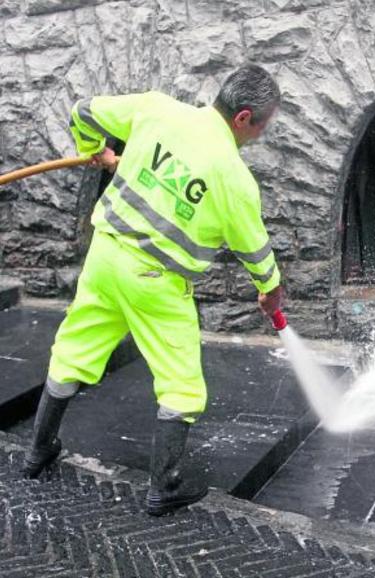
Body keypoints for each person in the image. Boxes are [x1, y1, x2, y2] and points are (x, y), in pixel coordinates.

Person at [23, 64, 284, 515]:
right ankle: (164, 485)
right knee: (182, 384)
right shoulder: (235, 180)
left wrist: (96, 151)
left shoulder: (155, 109)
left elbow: (82, 112)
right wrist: (270, 291)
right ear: (243, 117)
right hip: (156, 283)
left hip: (104, 259)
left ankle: (37, 451)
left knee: (73, 351)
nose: (261, 134)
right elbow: (256, 252)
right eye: (263, 124)